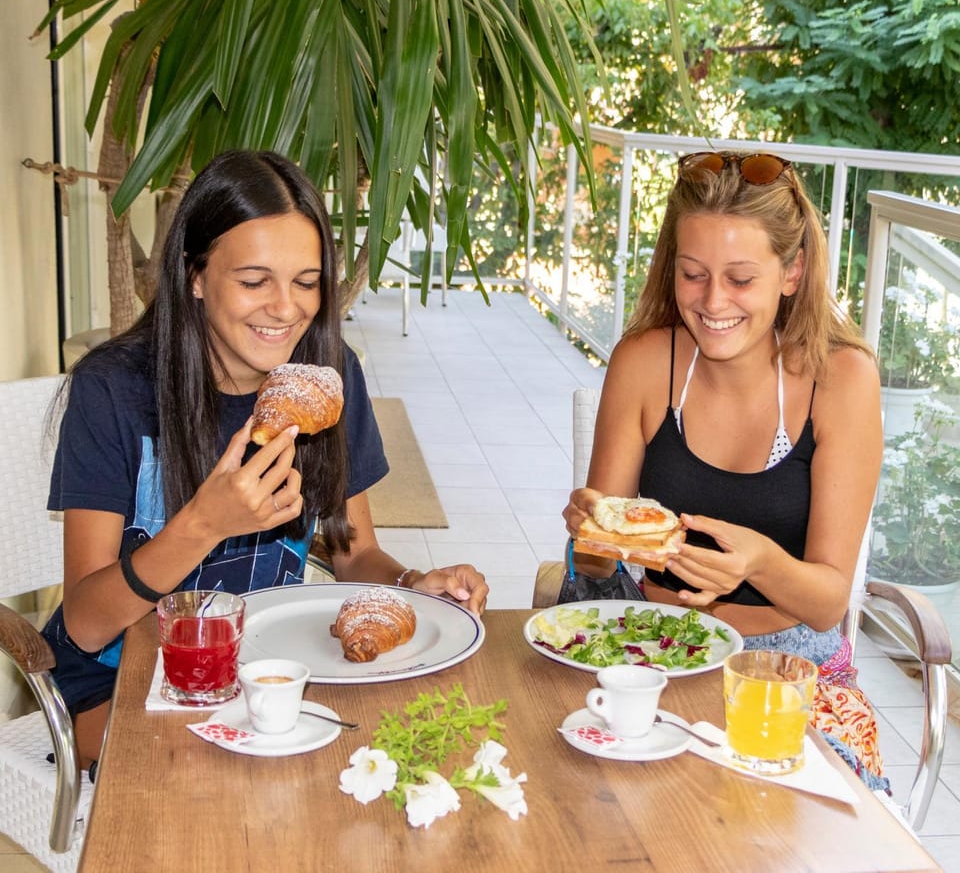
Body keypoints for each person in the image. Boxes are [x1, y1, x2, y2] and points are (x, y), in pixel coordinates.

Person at [43, 149, 488, 768]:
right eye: (254, 281)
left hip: (263, 673)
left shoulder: (325, 380)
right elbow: (87, 625)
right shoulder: (115, 391)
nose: (286, 308)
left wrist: (412, 588)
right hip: (120, 684)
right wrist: (203, 525)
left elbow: (355, 551)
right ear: (194, 275)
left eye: (306, 282)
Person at [562, 151, 887, 789]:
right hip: (645, 645)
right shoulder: (644, 361)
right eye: (693, 274)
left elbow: (826, 604)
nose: (713, 303)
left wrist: (759, 562)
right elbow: (598, 565)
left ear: (792, 272)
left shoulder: (842, 380)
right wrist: (591, 536)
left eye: (740, 279)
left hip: (785, 667)